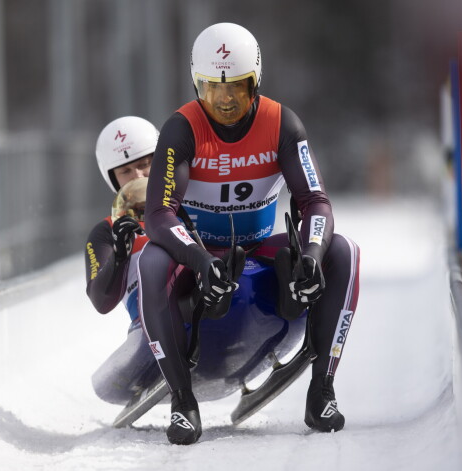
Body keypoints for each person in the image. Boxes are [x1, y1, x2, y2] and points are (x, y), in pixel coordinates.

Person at [137, 23, 360, 445]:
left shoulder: (283, 124)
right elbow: (159, 215)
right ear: (196, 84)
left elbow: (316, 201)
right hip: (198, 251)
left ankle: (322, 392)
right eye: (210, 89)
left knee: (344, 251)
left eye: (237, 88)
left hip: (258, 248)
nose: (223, 101)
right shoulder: (180, 129)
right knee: (151, 260)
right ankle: (182, 403)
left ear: (255, 83)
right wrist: (200, 260)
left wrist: (311, 254)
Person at [84, 116, 158, 327]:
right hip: (148, 324)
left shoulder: (192, 204)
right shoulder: (106, 231)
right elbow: (102, 302)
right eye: (125, 171)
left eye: (144, 164)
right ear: (113, 179)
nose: (137, 176)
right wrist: (120, 255)